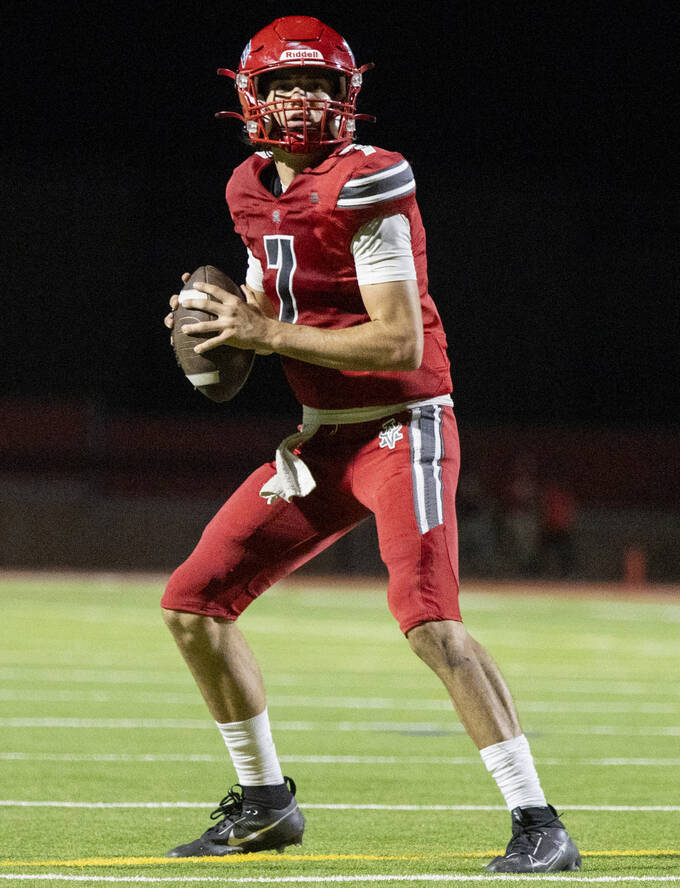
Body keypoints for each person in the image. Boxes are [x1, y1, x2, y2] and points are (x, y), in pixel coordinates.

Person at [159, 16, 580, 873]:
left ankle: (539, 822)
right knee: (193, 604)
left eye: (319, 84)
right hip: (321, 441)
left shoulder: (371, 179)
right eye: (284, 84)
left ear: (347, 98)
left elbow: (399, 346)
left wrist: (261, 334)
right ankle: (266, 803)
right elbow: (268, 297)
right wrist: (220, 325)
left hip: (404, 429)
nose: (302, 100)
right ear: (250, 98)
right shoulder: (246, 187)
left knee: (428, 619)